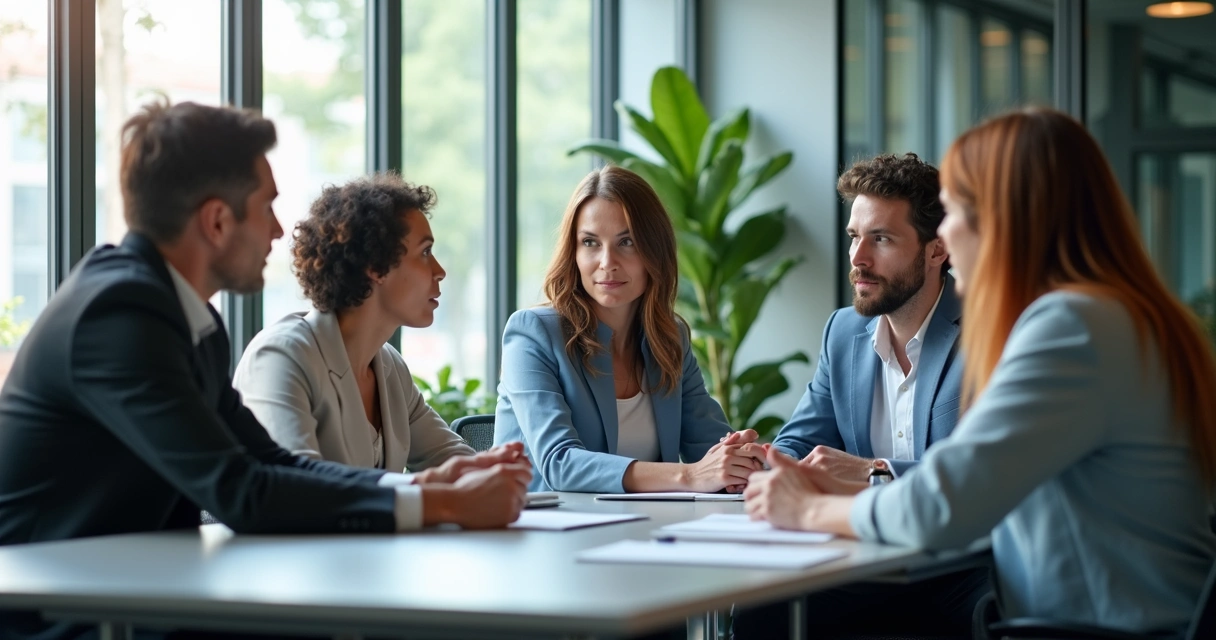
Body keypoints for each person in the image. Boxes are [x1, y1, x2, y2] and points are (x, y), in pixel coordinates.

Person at [745, 108, 1216, 637]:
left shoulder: (1073, 327)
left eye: (955, 211)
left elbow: (942, 505)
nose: (944, 234)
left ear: (1006, 220)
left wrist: (806, 510)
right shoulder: (1120, 316)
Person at [0, 102, 530, 545]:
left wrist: (426, 489)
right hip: (58, 612)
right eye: (267, 206)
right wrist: (435, 502)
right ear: (216, 221)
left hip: (129, 593)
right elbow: (240, 491)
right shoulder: (117, 316)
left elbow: (269, 461)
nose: (279, 230)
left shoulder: (188, 318)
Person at [735, 154, 986, 638]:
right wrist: (759, 459)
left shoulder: (987, 329)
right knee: (760, 611)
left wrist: (876, 471)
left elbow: (980, 477)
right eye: (855, 237)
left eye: (882, 239)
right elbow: (801, 439)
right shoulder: (843, 331)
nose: (858, 258)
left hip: (959, 563)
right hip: (863, 555)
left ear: (937, 251)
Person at [494, 165, 764, 493]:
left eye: (627, 242)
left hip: (647, 532)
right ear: (573, 253)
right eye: (591, 242)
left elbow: (707, 448)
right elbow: (560, 463)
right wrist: (690, 476)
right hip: (548, 534)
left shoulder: (670, 338)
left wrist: (741, 458)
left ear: (655, 251)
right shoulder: (531, 334)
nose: (607, 261)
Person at [234, 173, 512, 483]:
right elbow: (297, 484)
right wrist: (425, 490)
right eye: (424, 252)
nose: (440, 271)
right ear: (376, 267)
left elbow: (452, 462)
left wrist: (496, 470)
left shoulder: (389, 366)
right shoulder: (281, 357)